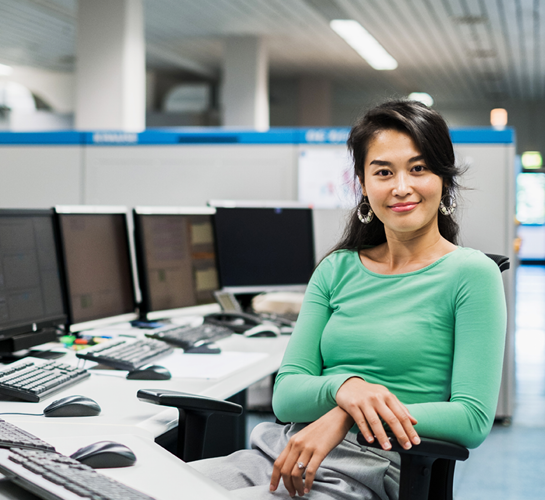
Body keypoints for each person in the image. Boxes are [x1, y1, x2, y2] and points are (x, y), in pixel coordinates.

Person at [190, 99, 507, 500]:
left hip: (368, 474)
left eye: (419, 168)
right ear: (363, 183)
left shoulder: (471, 274)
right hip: (280, 455)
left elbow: (472, 419)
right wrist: (345, 387)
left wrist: (345, 415)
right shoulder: (336, 269)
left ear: (443, 177)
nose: (402, 187)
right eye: (383, 172)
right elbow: (286, 397)